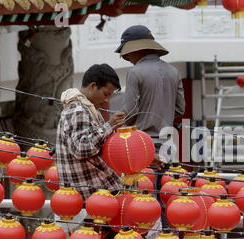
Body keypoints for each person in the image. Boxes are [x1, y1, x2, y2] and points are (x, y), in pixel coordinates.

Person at [56, 63, 126, 200]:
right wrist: (109, 125)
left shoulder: (89, 109)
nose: (106, 100)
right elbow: (81, 148)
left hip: (96, 192)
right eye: (106, 94)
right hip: (88, 196)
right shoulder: (77, 110)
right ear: (93, 86)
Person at [115, 25, 186, 153]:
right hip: (168, 144)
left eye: (127, 54)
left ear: (135, 50)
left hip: (143, 143)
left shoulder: (135, 72)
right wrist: (162, 116)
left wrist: (116, 122)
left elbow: (130, 111)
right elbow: (180, 109)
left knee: (144, 174)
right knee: (167, 173)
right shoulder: (174, 71)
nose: (128, 59)